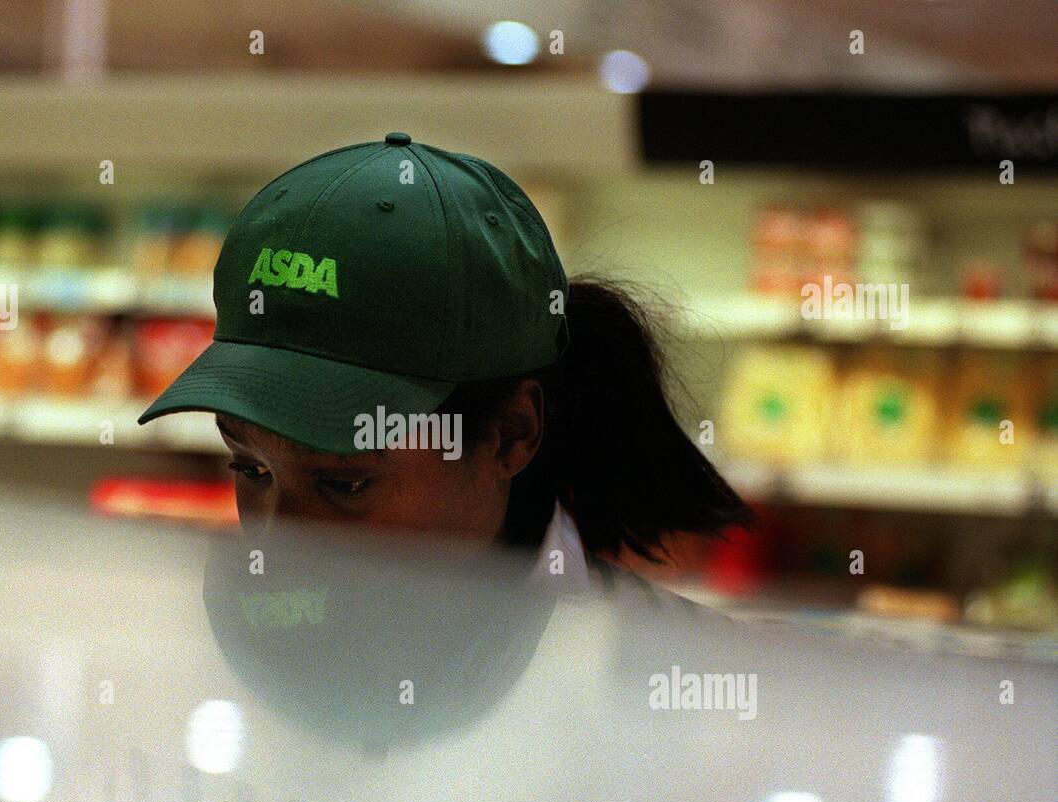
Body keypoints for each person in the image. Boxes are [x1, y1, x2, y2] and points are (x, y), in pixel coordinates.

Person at [140, 133, 750, 582]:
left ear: (512, 433)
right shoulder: (232, 665)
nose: (273, 547)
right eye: (250, 469)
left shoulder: (651, 697)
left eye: (345, 483)